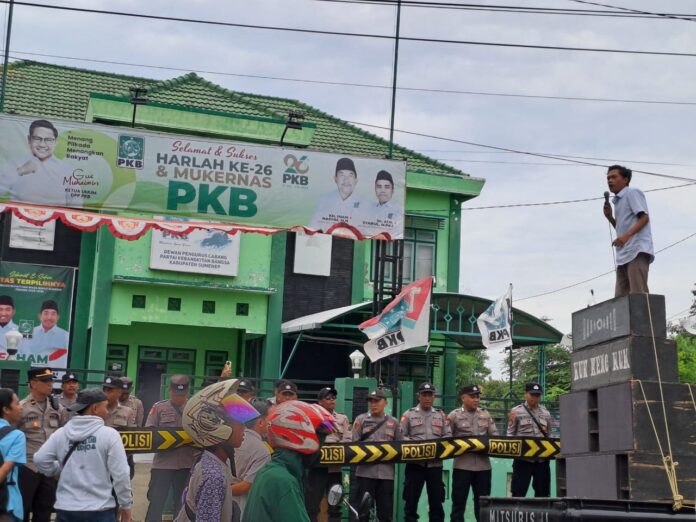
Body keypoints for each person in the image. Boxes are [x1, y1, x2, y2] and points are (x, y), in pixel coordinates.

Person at [33, 389, 133, 522]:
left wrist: (59, 469)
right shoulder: (109, 435)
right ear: (95, 409)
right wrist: (126, 504)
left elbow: (39, 459)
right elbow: (120, 473)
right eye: (106, 406)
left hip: (66, 509)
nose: (108, 411)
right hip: (99, 509)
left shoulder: (61, 433)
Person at [175, 379, 260, 522]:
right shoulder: (214, 476)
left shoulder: (212, 463)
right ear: (216, 429)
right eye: (239, 423)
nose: (244, 428)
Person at [242, 400, 336, 522]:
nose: (320, 447)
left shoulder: (272, 471)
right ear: (300, 437)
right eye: (320, 439)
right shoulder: (283, 480)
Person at [145, 375, 200, 522]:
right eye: (176, 394)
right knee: (156, 501)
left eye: (182, 395)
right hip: (163, 464)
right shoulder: (159, 407)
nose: (179, 398)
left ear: (187, 392)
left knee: (182, 503)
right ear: (169, 391)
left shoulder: (194, 409)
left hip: (186, 464)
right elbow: (149, 432)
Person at [17, 367, 66, 522]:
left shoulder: (58, 408)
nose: (50, 384)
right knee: (22, 509)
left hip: (49, 468)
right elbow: (13, 438)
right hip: (27, 467)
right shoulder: (21, 408)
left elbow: (63, 435)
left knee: (44, 510)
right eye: (45, 381)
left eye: (51, 380)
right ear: (33, 383)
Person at [0, 119, 81, 207]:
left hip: (55, 219)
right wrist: (20, 171)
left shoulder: (67, 170)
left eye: (48, 140)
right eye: (37, 138)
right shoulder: (15, 164)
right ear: (29, 139)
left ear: (55, 142)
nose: (42, 144)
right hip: (18, 218)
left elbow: (77, 204)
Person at [447, 384, 498, 522]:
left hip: (483, 467)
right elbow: (446, 439)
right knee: (458, 504)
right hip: (462, 466)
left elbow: (495, 437)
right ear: (463, 398)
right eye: (472, 396)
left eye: (478, 396)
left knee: (483, 504)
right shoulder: (454, 415)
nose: (476, 399)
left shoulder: (485, 415)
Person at [400, 383, 450, 522]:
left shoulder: (440, 415)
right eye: (424, 395)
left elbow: (448, 436)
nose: (427, 398)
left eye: (430, 395)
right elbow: (400, 437)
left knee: (436, 503)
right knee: (410, 503)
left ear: (434, 397)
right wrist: (415, 445)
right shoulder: (408, 415)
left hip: (435, 466)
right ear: (418, 396)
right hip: (415, 465)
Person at [603, 164, 654, 297]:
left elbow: (644, 218)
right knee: (620, 299)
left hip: (636, 250)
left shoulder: (632, 193)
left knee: (638, 295)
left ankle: (645, 318)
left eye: (614, 177)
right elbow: (622, 230)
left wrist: (626, 236)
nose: (610, 180)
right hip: (623, 255)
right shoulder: (618, 201)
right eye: (608, 178)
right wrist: (610, 218)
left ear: (625, 180)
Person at [352, 388, 401, 522]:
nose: (373, 404)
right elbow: (353, 443)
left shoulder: (394, 423)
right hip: (365, 474)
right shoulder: (361, 420)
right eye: (371, 401)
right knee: (362, 513)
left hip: (386, 475)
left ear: (385, 402)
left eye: (376, 401)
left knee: (385, 513)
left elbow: (402, 446)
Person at [304, 386, 352, 522]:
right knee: (312, 505)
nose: (332, 400)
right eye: (328, 398)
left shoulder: (342, 418)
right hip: (317, 467)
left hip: (334, 469)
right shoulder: (313, 418)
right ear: (320, 401)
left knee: (335, 506)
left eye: (333, 397)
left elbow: (348, 441)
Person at [507, 383, 553, 498]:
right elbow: (510, 435)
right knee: (518, 493)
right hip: (523, 460)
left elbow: (549, 435)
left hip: (542, 461)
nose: (535, 397)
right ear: (525, 394)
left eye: (538, 395)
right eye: (532, 394)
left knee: (543, 495)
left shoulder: (546, 413)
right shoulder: (516, 411)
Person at [231, 398, 272, 517]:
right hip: (242, 508)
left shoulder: (231, 439)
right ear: (260, 422)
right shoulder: (262, 451)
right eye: (269, 420)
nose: (270, 424)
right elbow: (248, 486)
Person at [309, 157, 365, 231]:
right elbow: (313, 226)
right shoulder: (324, 200)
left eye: (350, 175)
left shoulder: (365, 204)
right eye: (342, 175)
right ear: (335, 179)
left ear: (356, 180)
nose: (346, 180)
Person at [0, 387, 27, 522]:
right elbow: (5, 470)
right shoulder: (16, 436)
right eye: (16, 403)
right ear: (6, 409)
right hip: (7, 504)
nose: (20, 407)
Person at [20, 300, 69, 366]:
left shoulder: (65, 336)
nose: (49, 317)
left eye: (53, 314)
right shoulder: (30, 333)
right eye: (46, 313)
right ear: (40, 316)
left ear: (58, 317)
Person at [359, 170, 403, 238]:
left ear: (393, 190)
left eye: (387, 187)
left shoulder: (398, 211)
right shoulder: (369, 208)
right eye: (379, 186)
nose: (382, 190)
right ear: (375, 189)